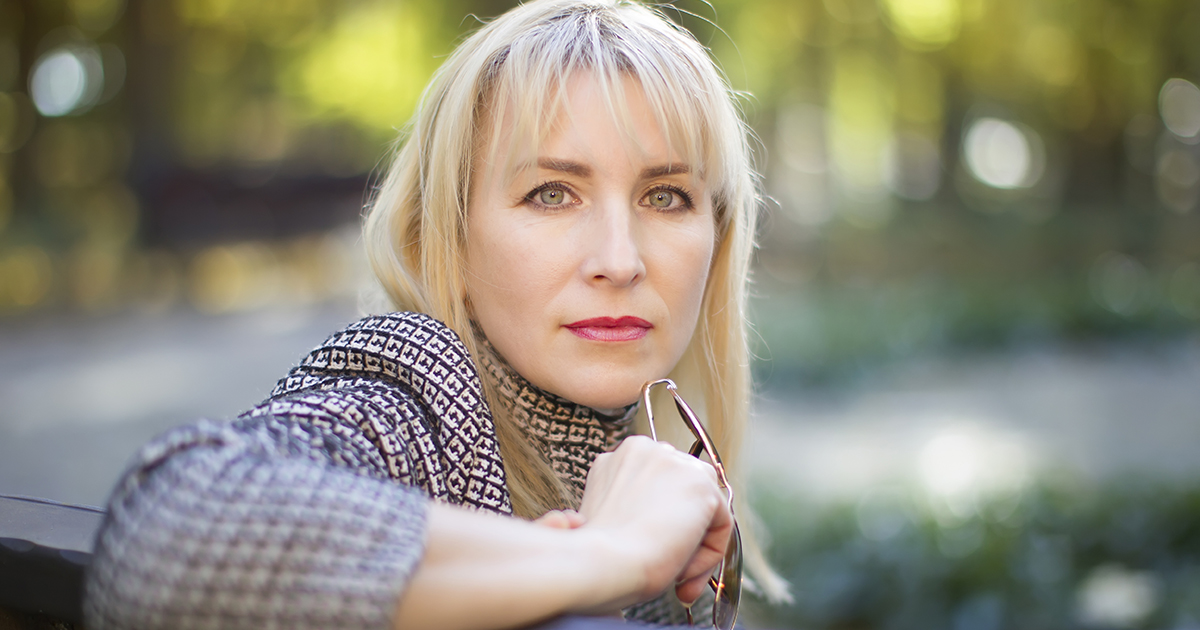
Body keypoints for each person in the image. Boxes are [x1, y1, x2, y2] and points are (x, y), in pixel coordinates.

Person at [84, 0, 789, 628]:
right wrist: (609, 557)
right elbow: (168, 538)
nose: (620, 259)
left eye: (665, 197)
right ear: (447, 236)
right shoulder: (423, 393)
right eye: (551, 193)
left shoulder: (656, 469)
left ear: (718, 236)